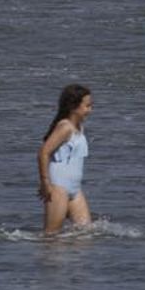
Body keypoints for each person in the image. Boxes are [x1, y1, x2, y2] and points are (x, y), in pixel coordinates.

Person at [37, 84, 92, 235]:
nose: (90, 110)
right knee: (51, 236)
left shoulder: (79, 127)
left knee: (86, 235)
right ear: (73, 106)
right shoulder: (65, 127)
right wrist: (45, 183)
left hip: (75, 189)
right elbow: (43, 153)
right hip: (58, 187)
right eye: (87, 106)